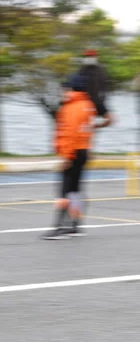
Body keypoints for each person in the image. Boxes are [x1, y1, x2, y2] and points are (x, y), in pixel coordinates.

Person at [42, 74, 97, 240]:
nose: (62, 92)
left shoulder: (70, 107)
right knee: (75, 191)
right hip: (83, 151)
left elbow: (70, 133)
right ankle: (75, 224)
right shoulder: (88, 105)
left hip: (72, 153)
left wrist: (66, 157)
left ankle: (60, 227)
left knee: (64, 191)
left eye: (64, 89)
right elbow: (87, 130)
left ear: (71, 89)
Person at [77, 49, 114, 129]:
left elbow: (105, 86)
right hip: (84, 102)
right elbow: (77, 87)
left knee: (109, 120)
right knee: (83, 124)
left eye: (91, 56)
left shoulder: (101, 70)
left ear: (96, 57)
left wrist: (102, 100)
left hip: (97, 101)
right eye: (87, 56)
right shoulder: (81, 70)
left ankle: (93, 128)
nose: (89, 58)